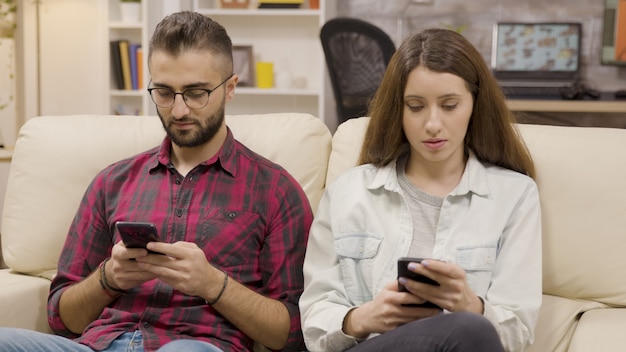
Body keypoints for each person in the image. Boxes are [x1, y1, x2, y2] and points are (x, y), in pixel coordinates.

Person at [0, 11, 312, 352]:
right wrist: (108, 278)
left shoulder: (275, 191)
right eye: (164, 93)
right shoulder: (112, 182)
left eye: (196, 93)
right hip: (98, 345)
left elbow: (293, 333)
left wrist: (213, 284)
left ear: (230, 89)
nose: (178, 110)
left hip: (194, 346)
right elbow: (62, 318)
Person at [299, 28, 542, 352]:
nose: (432, 124)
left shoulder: (515, 196)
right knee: (469, 331)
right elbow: (314, 322)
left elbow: (518, 333)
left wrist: (471, 305)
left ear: (475, 104)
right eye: (415, 106)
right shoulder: (349, 192)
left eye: (450, 105)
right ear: (397, 110)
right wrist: (366, 317)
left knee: (470, 328)